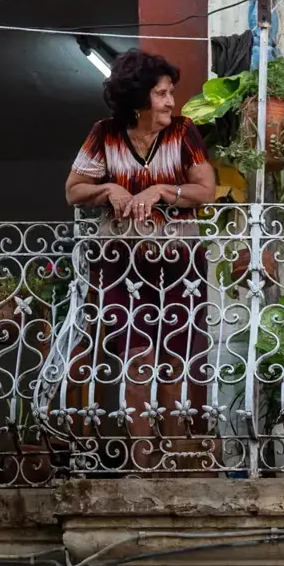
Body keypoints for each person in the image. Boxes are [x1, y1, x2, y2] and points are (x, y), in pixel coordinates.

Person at [61, 49, 216, 466]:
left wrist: (163, 190)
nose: (170, 102)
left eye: (170, 93)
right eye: (162, 93)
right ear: (138, 98)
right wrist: (108, 189)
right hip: (120, 264)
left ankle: (173, 460)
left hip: (180, 263)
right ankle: (143, 463)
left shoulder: (183, 132)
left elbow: (206, 190)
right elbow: (73, 190)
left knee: (175, 361)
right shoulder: (105, 134)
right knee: (138, 359)